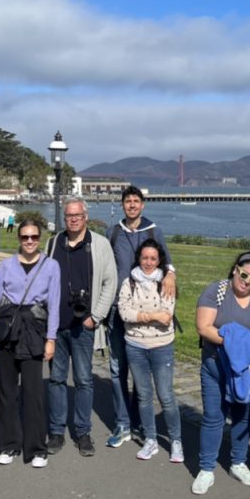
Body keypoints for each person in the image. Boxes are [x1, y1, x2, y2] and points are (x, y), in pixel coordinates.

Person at [44, 199, 117, 457]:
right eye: (69, 216)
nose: (73, 220)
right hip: (57, 324)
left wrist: (95, 317)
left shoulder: (100, 244)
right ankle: (56, 431)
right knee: (56, 380)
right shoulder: (53, 243)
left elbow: (111, 282)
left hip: (84, 326)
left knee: (84, 380)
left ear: (85, 216)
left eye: (77, 215)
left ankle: (83, 432)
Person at [105, 185, 176, 449]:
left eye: (136, 201)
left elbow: (167, 262)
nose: (132, 205)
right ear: (123, 205)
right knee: (117, 370)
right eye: (128, 201)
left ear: (143, 205)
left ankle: (138, 421)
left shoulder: (153, 230)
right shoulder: (113, 232)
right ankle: (123, 423)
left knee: (139, 371)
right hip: (117, 310)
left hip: (146, 313)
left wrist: (171, 274)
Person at [0, 220, 61, 467]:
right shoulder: (7, 265)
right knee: (6, 391)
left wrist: (51, 339)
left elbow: (54, 305)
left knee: (33, 392)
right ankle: (9, 445)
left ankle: (37, 448)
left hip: (34, 330)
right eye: (25, 237)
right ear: (18, 238)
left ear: (40, 238)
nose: (29, 241)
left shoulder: (51, 266)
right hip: (8, 330)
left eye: (34, 237)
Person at [192, 252, 250, 495]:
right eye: (244, 274)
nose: (247, 281)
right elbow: (203, 327)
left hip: (245, 372)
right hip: (216, 366)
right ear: (236, 269)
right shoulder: (217, 291)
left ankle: (238, 462)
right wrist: (236, 343)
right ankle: (206, 468)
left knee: (242, 417)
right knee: (213, 417)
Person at [116, 239, 182, 462]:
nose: (148, 262)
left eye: (153, 258)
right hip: (135, 346)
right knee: (143, 395)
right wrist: (151, 316)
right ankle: (151, 439)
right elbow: (124, 313)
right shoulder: (129, 283)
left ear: (159, 260)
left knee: (166, 395)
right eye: (145, 258)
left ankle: (175, 441)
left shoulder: (167, 282)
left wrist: (140, 316)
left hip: (161, 346)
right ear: (139, 258)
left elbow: (167, 316)